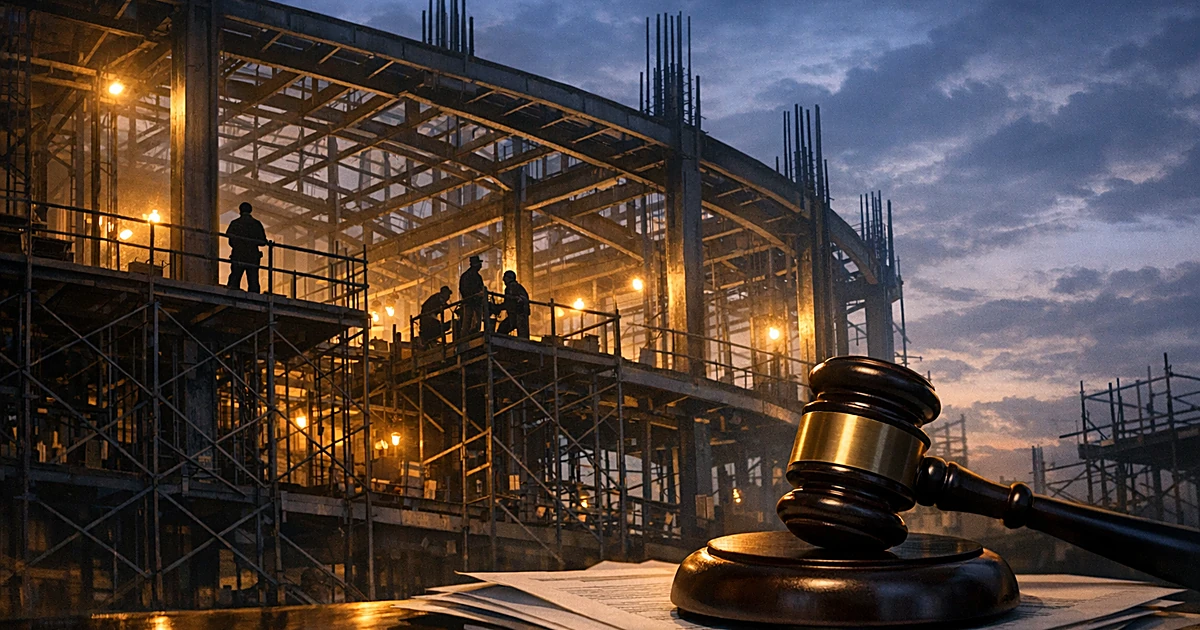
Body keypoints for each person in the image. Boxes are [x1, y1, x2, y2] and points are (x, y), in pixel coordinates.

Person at [226, 202, 267, 293]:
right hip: (252, 256)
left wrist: (238, 245)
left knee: (235, 278)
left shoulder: (235, 223)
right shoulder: (256, 224)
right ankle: (255, 299)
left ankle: (231, 294)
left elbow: (230, 239)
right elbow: (263, 242)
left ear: (240, 211)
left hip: (238, 255)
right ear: (251, 211)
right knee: (253, 280)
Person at [457, 255, 486, 336]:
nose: (480, 266)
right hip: (471, 302)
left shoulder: (472, 276)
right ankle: (467, 336)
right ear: (475, 264)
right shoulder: (469, 276)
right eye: (479, 264)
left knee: (470, 320)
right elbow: (464, 289)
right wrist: (475, 296)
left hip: (473, 301)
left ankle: (469, 335)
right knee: (469, 320)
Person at [496, 270, 530, 338]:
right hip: (519, 314)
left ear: (508, 278)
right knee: (523, 335)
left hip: (517, 314)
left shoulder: (511, 287)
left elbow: (508, 303)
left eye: (505, 278)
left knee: (503, 329)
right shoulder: (519, 287)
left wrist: (497, 308)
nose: (504, 281)